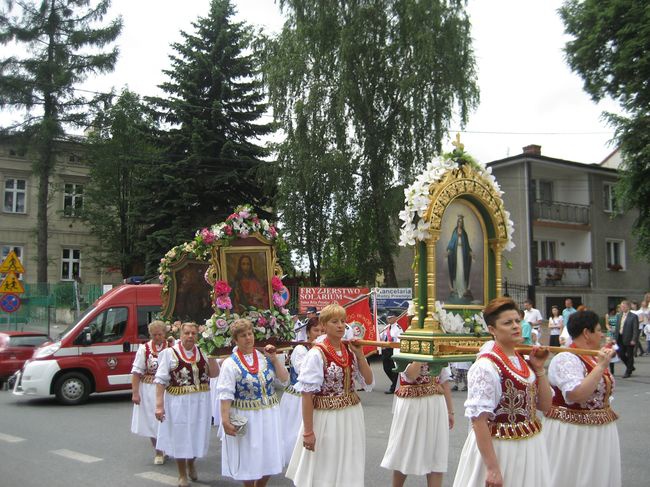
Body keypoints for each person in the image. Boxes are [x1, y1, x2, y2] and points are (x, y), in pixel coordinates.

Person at [452, 297, 552, 487]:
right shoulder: (486, 366)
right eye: (507, 323)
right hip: (500, 449)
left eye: (517, 321)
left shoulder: (523, 361)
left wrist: (539, 369)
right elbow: (478, 420)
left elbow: (545, 406)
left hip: (530, 447)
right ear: (492, 330)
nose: (515, 326)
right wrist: (492, 468)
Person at [286, 303, 374, 487]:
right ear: (324, 325)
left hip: (351, 416)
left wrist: (360, 356)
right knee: (326, 465)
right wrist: (308, 432)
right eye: (335, 321)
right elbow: (307, 394)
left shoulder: (350, 350)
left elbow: (368, 381)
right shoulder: (317, 354)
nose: (341, 325)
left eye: (343, 321)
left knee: (349, 462)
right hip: (326, 418)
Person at [544, 310, 620, 487]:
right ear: (587, 333)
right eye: (599, 330)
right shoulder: (565, 358)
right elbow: (576, 394)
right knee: (572, 477)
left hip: (599, 430)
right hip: (574, 432)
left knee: (598, 477)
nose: (602, 334)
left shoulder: (592, 357)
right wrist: (601, 366)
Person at [217, 318, 289, 486]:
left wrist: (275, 360)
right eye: (243, 335)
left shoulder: (264, 357)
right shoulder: (230, 364)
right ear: (235, 340)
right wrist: (225, 420)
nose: (248, 338)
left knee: (269, 454)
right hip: (246, 415)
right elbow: (225, 394)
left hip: (269, 413)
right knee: (249, 455)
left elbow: (284, 380)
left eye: (250, 334)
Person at [154, 322, 220, 487]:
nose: (190, 336)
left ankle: (191, 463)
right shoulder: (170, 353)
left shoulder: (203, 351)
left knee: (197, 434)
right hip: (178, 402)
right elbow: (161, 380)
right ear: (180, 335)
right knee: (180, 436)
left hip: (200, 401)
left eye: (193, 333)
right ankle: (182, 473)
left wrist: (212, 355)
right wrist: (159, 405)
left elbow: (214, 374)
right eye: (187, 333)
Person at [381, 361, 454, 487]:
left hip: (436, 403)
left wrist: (450, 410)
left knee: (436, 455)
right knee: (403, 452)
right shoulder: (403, 344)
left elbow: (444, 380)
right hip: (412, 404)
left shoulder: (436, 343)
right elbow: (411, 374)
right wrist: (422, 351)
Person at [279, 317, 324, 465]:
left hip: (315, 398)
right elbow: (303, 371)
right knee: (296, 432)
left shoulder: (324, 348)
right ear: (308, 332)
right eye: (315, 330)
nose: (319, 333)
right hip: (298, 397)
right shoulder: (300, 348)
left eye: (322, 331)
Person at [131, 320, 168, 465]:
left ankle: (168, 447)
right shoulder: (144, 349)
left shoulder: (172, 347)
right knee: (152, 421)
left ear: (165, 333)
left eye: (160, 334)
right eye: (154, 335)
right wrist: (135, 393)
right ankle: (158, 450)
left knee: (168, 419)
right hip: (148, 389)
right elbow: (136, 371)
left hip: (167, 388)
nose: (157, 337)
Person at [446, 215, 473, 300]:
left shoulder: (464, 233)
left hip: (462, 253)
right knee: (456, 269)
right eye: (459, 221)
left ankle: (463, 289)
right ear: (457, 222)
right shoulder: (455, 231)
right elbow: (452, 242)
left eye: (461, 222)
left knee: (462, 270)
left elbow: (467, 244)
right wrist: (449, 250)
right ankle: (456, 289)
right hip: (456, 253)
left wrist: (470, 252)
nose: (459, 223)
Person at [614, 300, 640, 378]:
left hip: (629, 338)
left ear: (628, 307)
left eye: (624, 307)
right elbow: (616, 328)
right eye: (621, 306)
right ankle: (630, 366)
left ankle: (628, 372)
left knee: (630, 355)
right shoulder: (619, 315)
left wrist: (634, 339)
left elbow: (635, 329)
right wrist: (614, 338)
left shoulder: (633, 316)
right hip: (620, 337)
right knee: (620, 353)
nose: (622, 308)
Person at [380, 313, 403, 394]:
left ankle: (393, 387)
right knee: (386, 368)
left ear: (395, 318)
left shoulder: (398, 328)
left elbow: (399, 340)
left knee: (394, 368)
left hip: (393, 350)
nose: (388, 319)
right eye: (387, 318)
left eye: (390, 318)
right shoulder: (386, 327)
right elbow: (381, 337)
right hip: (385, 350)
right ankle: (396, 383)